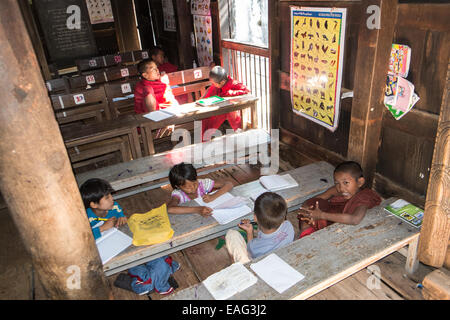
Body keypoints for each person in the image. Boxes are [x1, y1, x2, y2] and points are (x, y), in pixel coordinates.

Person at [80, 178, 179, 296]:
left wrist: (122, 217)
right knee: (153, 263)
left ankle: (148, 278)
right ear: (93, 204)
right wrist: (102, 228)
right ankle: (153, 277)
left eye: (110, 195)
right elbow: (83, 238)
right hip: (110, 252)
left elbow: (120, 215)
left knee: (150, 253)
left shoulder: (114, 206)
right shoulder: (85, 217)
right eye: (107, 198)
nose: (112, 199)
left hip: (124, 241)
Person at [297, 161, 382, 238]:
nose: (341, 188)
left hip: (347, 227)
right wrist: (307, 209)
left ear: (360, 182)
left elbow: (355, 219)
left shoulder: (364, 197)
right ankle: (306, 234)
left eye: (346, 183)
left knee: (315, 216)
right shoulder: (337, 190)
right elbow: (316, 199)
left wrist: (321, 215)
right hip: (333, 215)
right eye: (337, 183)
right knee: (310, 206)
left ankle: (312, 235)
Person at [225, 192, 294, 264]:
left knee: (232, 234)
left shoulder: (254, 246)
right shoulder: (288, 225)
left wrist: (249, 232)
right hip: (283, 258)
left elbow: (250, 250)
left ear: (255, 218)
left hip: (263, 265)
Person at [201, 66, 250, 141]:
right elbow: (205, 97)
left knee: (231, 112)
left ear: (222, 82)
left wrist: (231, 93)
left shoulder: (233, 83)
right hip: (217, 110)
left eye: (214, 83)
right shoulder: (215, 87)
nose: (213, 85)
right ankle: (204, 139)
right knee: (205, 118)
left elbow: (247, 90)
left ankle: (241, 135)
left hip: (229, 110)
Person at [167, 162, 234, 216]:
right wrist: (197, 210)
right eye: (188, 187)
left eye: (194, 183)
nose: (193, 188)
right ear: (178, 187)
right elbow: (170, 209)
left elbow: (229, 184)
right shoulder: (178, 194)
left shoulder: (202, 184)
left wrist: (213, 197)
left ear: (196, 178)